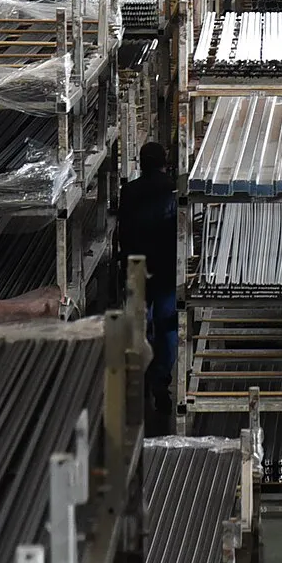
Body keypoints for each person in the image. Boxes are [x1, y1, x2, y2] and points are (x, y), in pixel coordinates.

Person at [120, 141, 178, 428]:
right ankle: (161, 382)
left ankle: (138, 378)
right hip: (167, 268)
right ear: (163, 161)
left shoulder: (129, 192)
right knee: (168, 324)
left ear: (141, 163)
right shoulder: (173, 190)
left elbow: (123, 233)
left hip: (137, 267)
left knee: (140, 323)